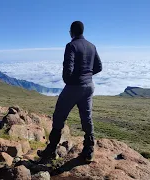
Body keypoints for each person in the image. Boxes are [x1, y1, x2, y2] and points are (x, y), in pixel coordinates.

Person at [37, 21, 102, 163]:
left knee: (59, 115)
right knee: (87, 117)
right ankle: (89, 150)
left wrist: (69, 80)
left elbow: (68, 69)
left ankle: (51, 150)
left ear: (72, 32)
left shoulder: (71, 46)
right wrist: (87, 74)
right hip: (89, 85)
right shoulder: (92, 46)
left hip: (74, 86)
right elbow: (99, 67)